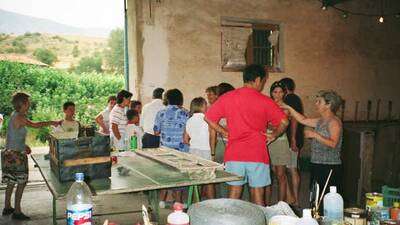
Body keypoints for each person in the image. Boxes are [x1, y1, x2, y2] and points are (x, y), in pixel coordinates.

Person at [205, 64, 288, 206]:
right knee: (257, 196)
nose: (262, 85)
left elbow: (208, 118)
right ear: (257, 80)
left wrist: (225, 132)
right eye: (262, 81)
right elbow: (284, 121)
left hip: (234, 154)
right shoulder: (265, 100)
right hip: (257, 154)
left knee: (234, 194)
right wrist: (274, 134)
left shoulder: (228, 97)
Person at [2, 92, 60, 220]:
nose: (29, 104)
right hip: (16, 155)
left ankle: (7, 207)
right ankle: (17, 211)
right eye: (28, 102)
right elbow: (36, 125)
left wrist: (24, 145)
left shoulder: (14, 115)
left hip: (9, 152)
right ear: (22, 104)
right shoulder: (20, 117)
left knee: (11, 181)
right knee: (21, 182)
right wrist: (53, 122)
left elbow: (13, 134)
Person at [282, 90, 343, 194]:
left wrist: (315, 135)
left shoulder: (334, 122)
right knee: (315, 194)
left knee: (325, 196)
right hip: (317, 163)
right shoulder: (321, 120)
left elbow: (333, 144)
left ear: (328, 105)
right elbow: (303, 119)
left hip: (328, 166)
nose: (316, 104)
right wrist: (288, 107)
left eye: (319, 101)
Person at [154, 88, 189, 206]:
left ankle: (162, 200)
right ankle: (178, 201)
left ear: (166, 99)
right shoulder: (186, 113)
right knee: (179, 176)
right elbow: (188, 133)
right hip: (181, 150)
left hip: (165, 150)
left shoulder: (160, 113)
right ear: (180, 99)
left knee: (165, 175)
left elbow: (156, 132)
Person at [184, 97, 215, 199]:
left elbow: (185, 140)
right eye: (206, 104)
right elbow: (212, 137)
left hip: (193, 151)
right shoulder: (208, 118)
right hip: (206, 151)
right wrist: (213, 153)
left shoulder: (189, 120)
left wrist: (195, 144)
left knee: (195, 180)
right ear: (202, 106)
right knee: (209, 181)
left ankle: (195, 203)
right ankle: (211, 204)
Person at [266, 81, 291, 203]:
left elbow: (280, 126)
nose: (278, 94)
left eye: (280, 92)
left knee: (281, 175)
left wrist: (268, 123)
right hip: (267, 142)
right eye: (275, 92)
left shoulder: (285, 108)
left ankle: (282, 204)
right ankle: (266, 204)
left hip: (280, 142)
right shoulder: (267, 104)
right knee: (267, 175)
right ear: (271, 93)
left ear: (284, 93)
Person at [280, 77, 303, 206]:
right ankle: (294, 198)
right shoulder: (295, 98)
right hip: (294, 138)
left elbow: (294, 119)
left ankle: (295, 199)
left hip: (291, 139)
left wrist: (292, 139)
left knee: (292, 169)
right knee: (290, 168)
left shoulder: (290, 99)